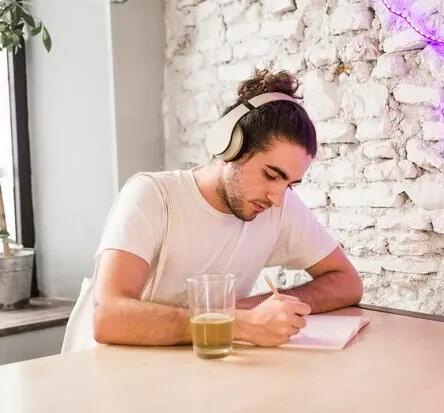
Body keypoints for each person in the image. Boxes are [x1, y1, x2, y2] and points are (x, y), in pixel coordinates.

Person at [61, 69, 363, 353]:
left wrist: (253, 308)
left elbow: (347, 282)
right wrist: (234, 322)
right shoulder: (152, 196)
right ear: (229, 147)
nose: (277, 197)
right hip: (110, 370)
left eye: (290, 185)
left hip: (191, 367)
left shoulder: (277, 206)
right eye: (271, 175)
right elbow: (109, 317)